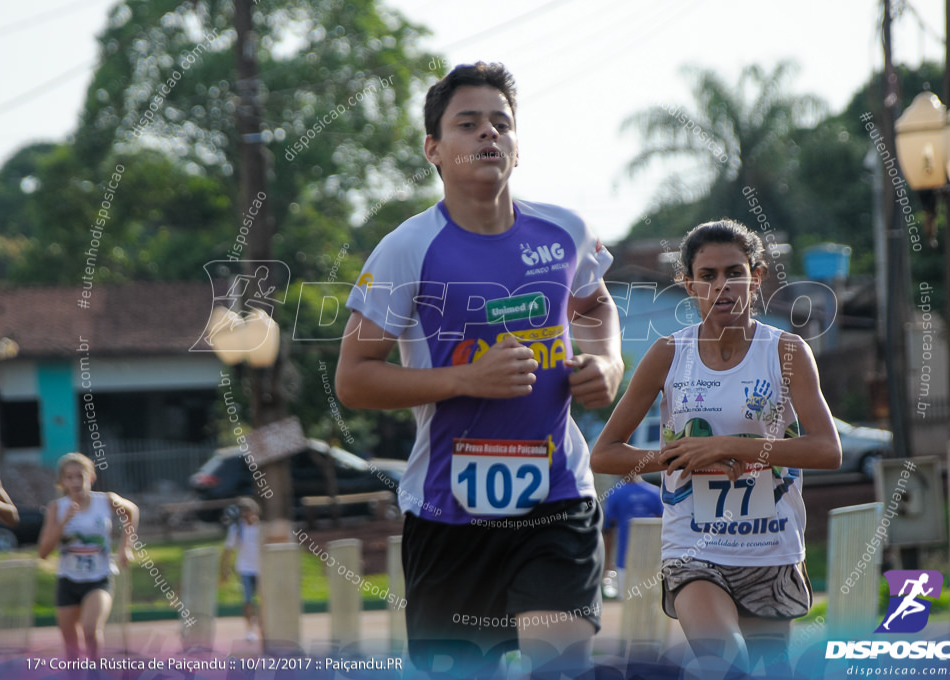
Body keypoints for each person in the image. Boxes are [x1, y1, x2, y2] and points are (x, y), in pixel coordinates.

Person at [336, 62, 623, 678]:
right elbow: (354, 378)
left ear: (517, 146)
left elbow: (596, 303)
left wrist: (608, 359)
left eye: (501, 123)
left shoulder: (565, 232)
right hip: (448, 513)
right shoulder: (406, 249)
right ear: (434, 149)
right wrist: (465, 379)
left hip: (558, 498)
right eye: (468, 124)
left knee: (561, 663)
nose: (488, 135)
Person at [591, 220, 841, 674]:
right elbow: (605, 452)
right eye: (707, 276)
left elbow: (827, 450)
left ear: (757, 277)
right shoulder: (668, 354)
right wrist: (676, 456)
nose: (722, 286)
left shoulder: (787, 352)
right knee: (726, 663)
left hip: (771, 548)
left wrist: (732, 447)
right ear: (689, 286)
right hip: (694, 549)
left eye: (735, 272)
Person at [37, 452, 138, 660]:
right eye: (69, 477)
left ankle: (95, 673)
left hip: (98, 579)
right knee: (70, 643)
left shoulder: (107, 501)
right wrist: (63, 522)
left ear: (91, 477)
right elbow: (43, 552)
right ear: (62, 481)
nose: (75, 482)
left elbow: (132, 511)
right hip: (68, 580)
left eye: (80, 476)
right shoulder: (57, 508)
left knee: (90, 630)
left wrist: (125, 546)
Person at [602, 475, 663, 598]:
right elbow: (608, 531)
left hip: (633, 560)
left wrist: (607, 563)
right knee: (649, 601)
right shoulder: (655, 492)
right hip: (639, 560)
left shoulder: (615, 494)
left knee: (629, 602)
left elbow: (608, 532)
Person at [220, 497, 262, 642]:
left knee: (263, 600)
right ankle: (250, 630)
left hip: (262, 570)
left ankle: (263, 627)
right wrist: (224, 570)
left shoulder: (261, 527)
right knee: (248, 600)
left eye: (247, 510)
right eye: (242, 511)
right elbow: (228, 550)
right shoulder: (237, 529)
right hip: (245, 569)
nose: (245, 514)